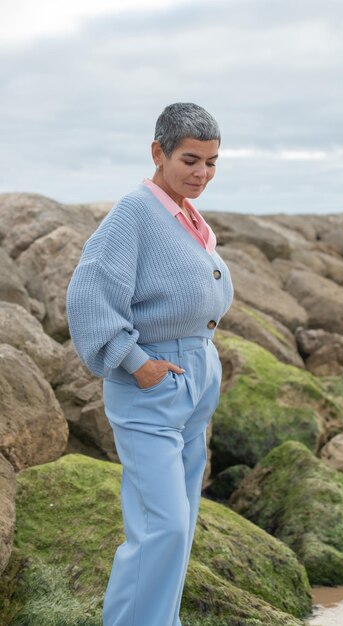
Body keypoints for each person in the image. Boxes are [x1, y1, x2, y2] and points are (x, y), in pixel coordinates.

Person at [66, 102, 234, 626]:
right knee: (160, 524)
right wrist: (135, 362)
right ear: (158, 152)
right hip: (151, 385)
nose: (201, 173)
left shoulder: (186, 214)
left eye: (210, 162)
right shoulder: (135, 212)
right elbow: (88, 294)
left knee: (180, 525)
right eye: (190, 159)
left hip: (193, 383)